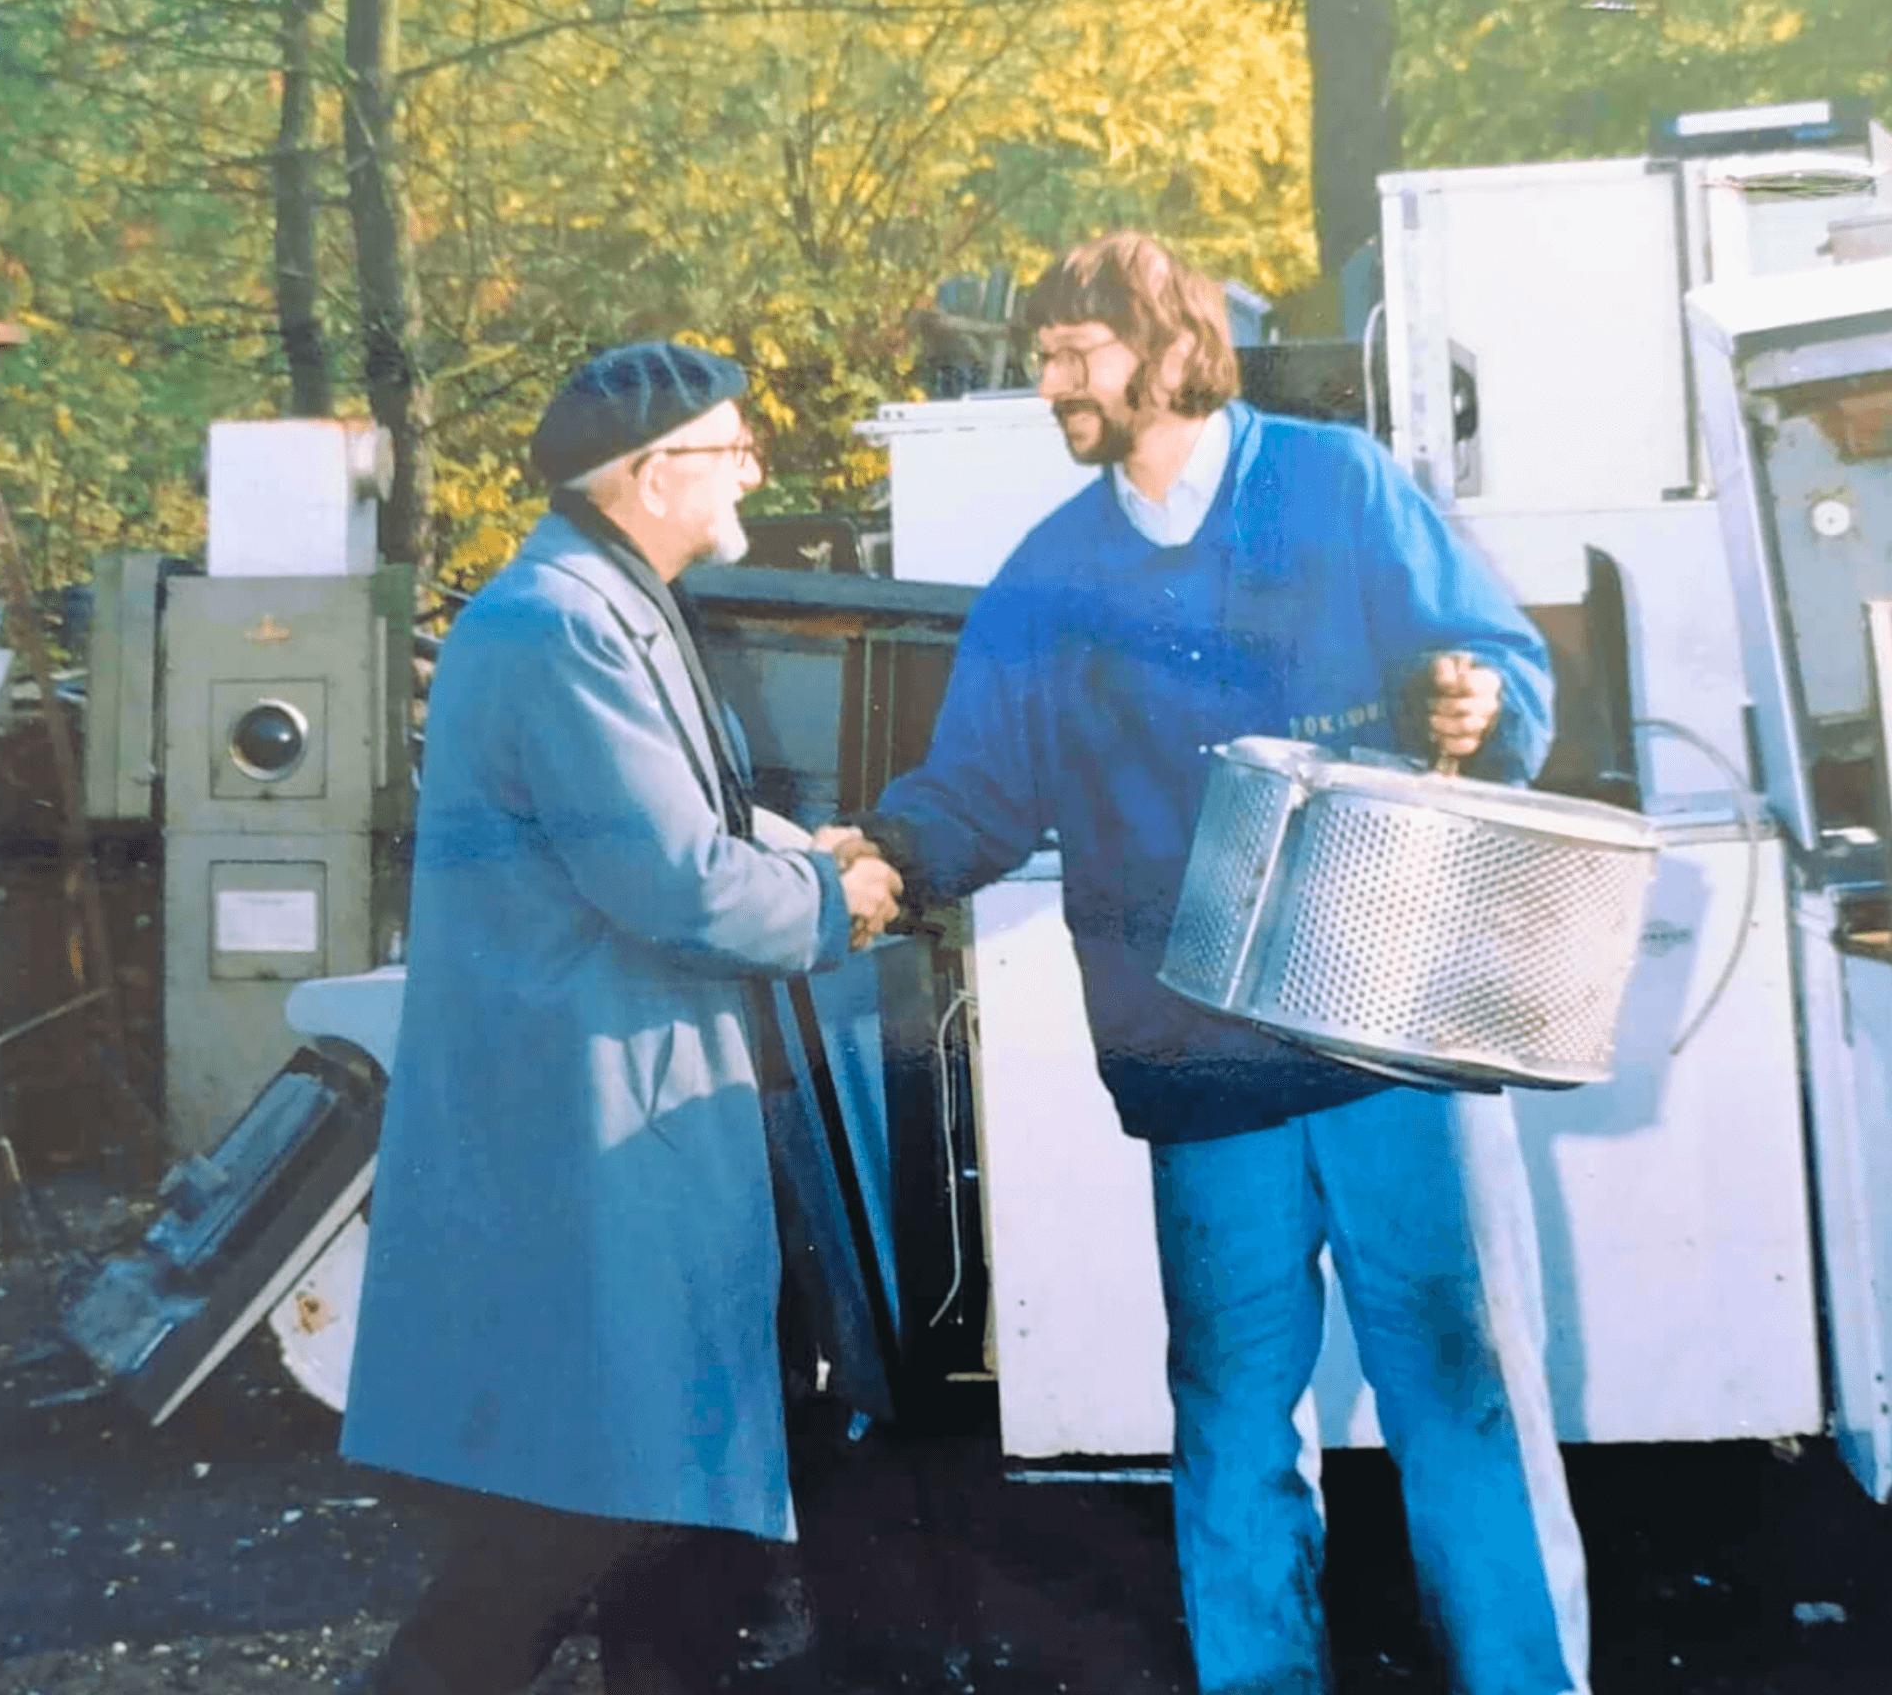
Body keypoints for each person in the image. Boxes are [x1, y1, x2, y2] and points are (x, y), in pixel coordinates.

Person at [844, 234, 1589, 1695]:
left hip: (1391, 1042)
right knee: (1234, 1418)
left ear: (1173, 350)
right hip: (1200, 1060)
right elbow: (978, 785)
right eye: (1045, 355)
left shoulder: (1337, 487)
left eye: (1077, 351)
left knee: (1463, 1396)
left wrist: (1471, 706)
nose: (1050, 380)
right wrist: (880, 863)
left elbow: (1493, 667)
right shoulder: (1052, 576)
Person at [339, 340, 902, 1695]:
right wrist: (845, 905)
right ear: (652, 475)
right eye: (732, 449)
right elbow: (676, 882)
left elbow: (685, 815)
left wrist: (804, 852)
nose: (755, 468)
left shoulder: (600, 599)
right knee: (580, 1517)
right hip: (589, 1133)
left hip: (621, 1111)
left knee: (670, 1508)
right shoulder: (565, 626)